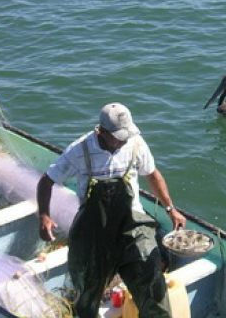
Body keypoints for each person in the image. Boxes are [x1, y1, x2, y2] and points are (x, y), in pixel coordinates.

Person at [37, 103, 186, 318]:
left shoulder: (135, 143)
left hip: (132, 225)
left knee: (152, 282)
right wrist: (44, 216)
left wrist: (171, 209)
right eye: (118, 136)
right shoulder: (80, 150)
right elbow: (46, 181)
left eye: (127, 134)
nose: (123, 139)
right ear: (101, 131)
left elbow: (153, 175)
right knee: (86, 292)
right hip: (94, 230)